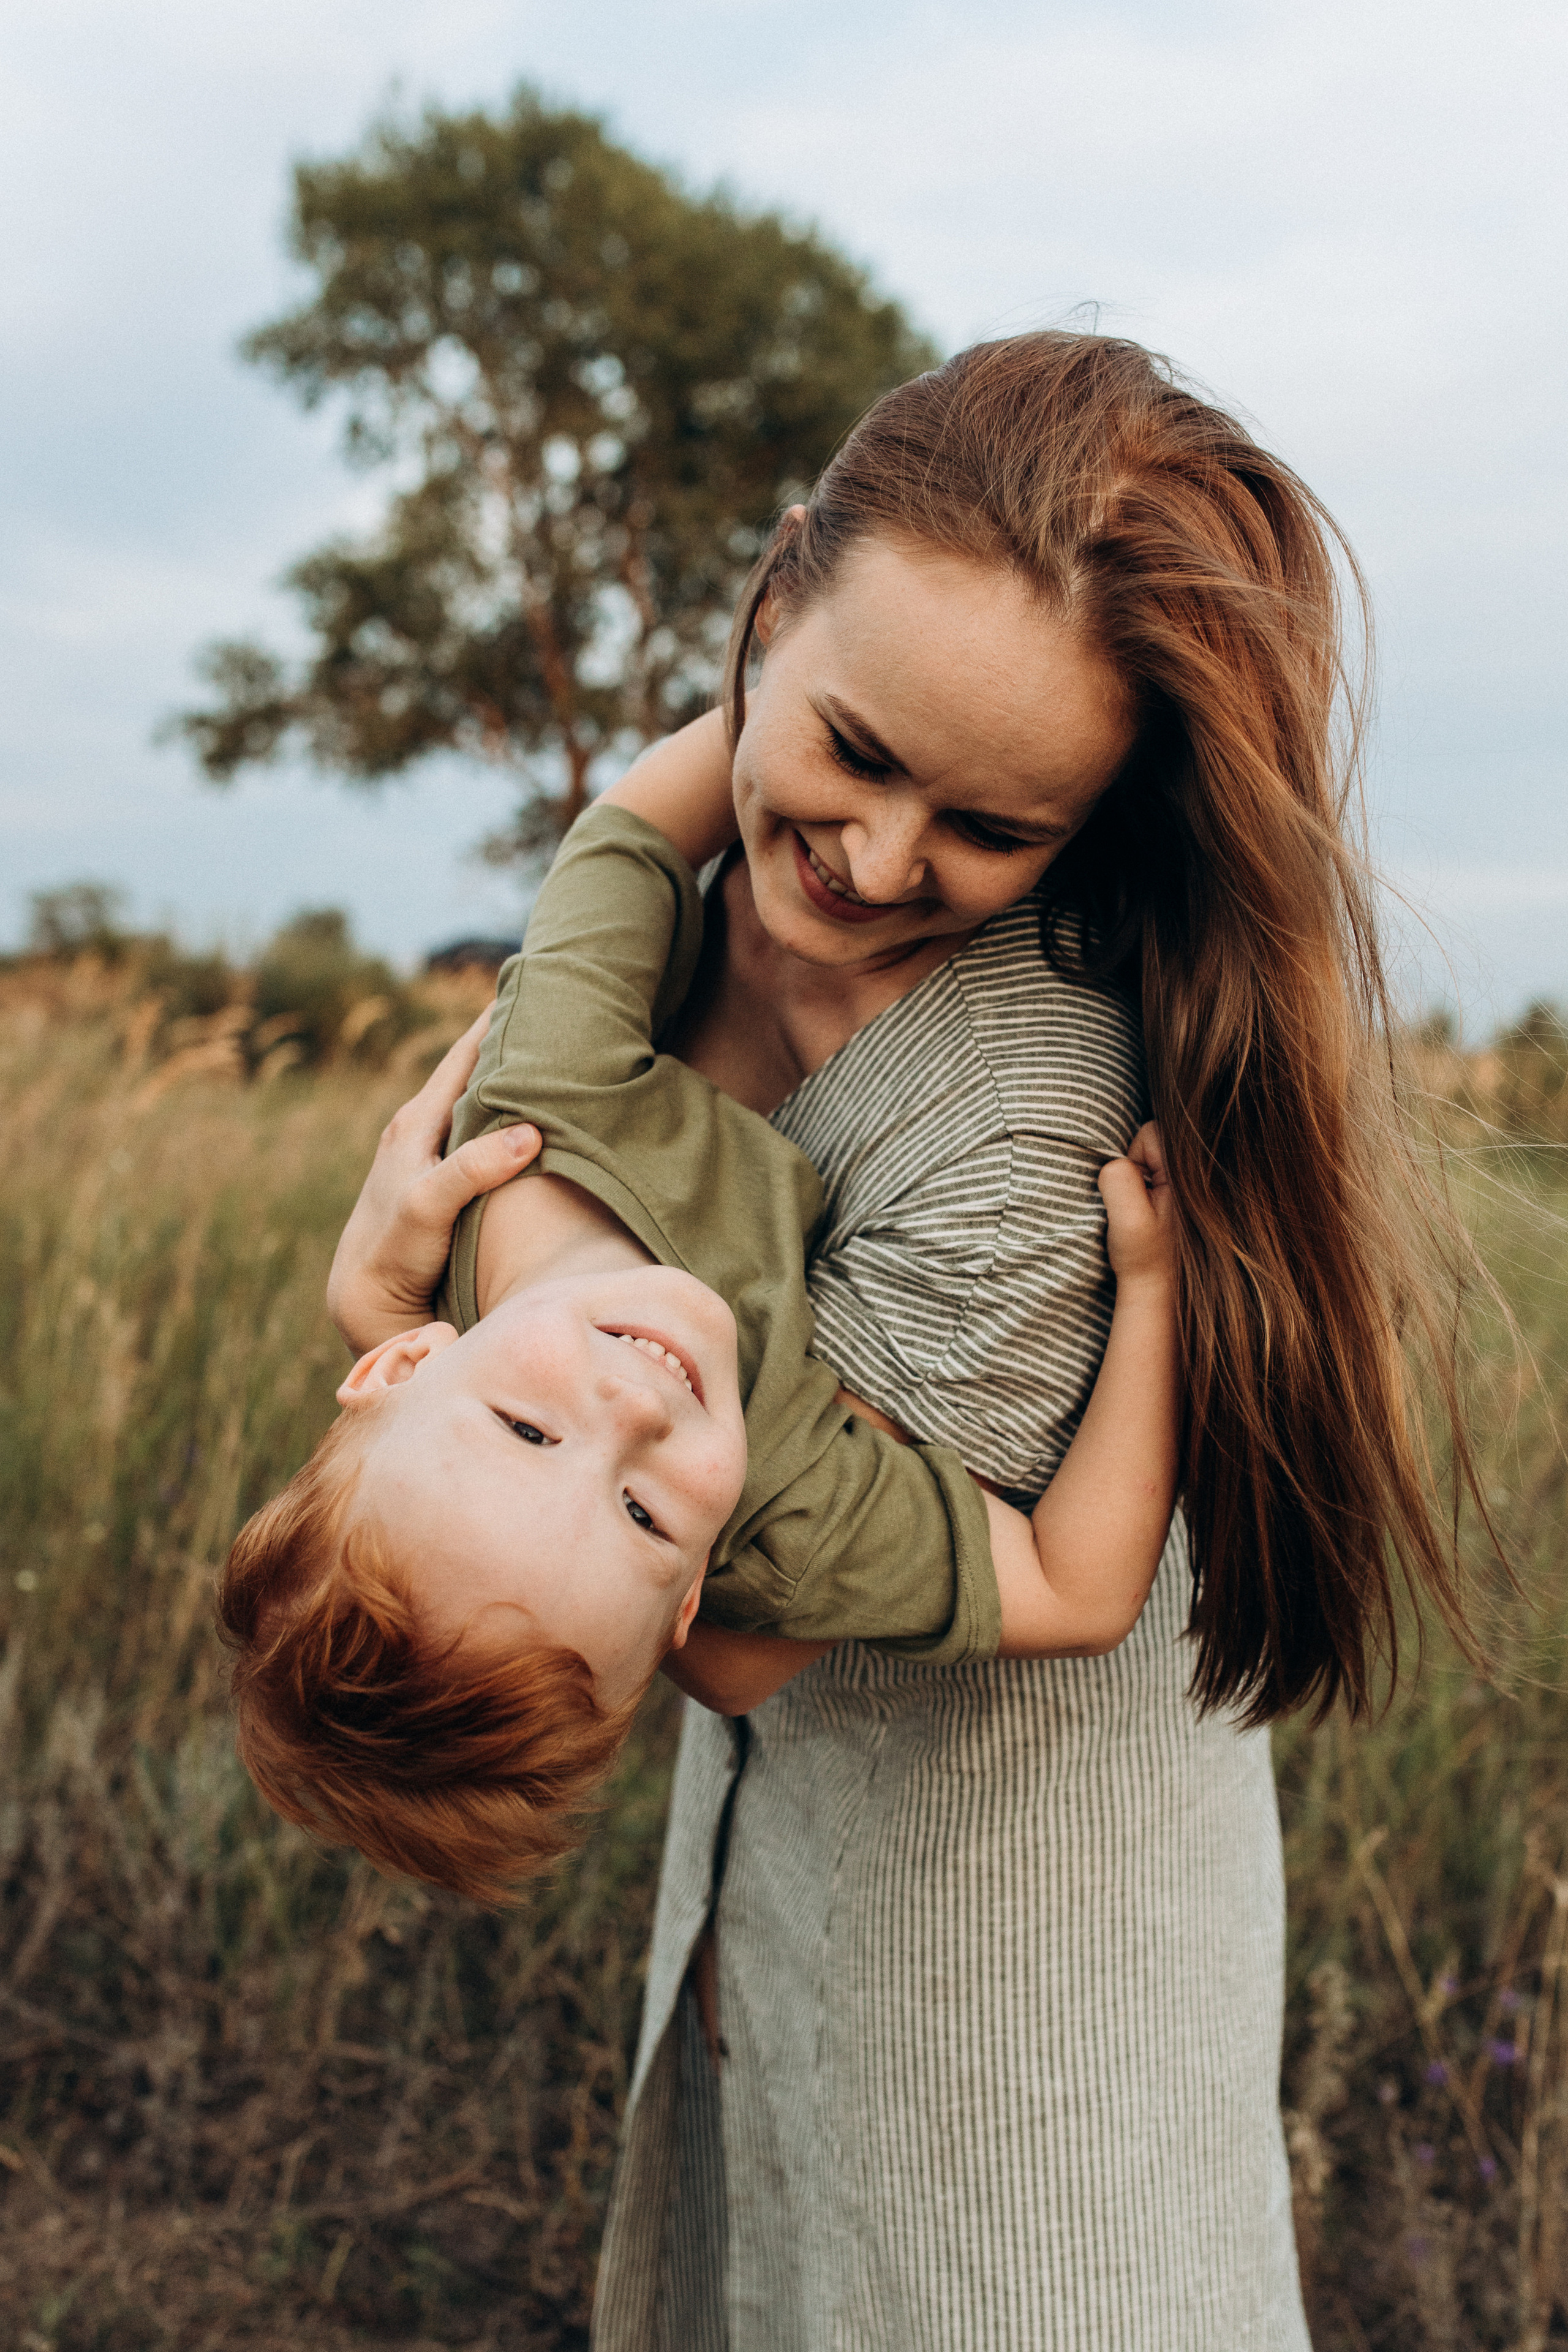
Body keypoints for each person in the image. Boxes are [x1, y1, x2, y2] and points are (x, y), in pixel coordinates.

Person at [327, 333, 1487, 2348]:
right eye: (854, 750)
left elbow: (735, 1617)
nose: (873, 863)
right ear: (771, 613)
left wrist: (403, 1301)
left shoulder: (1023, 1114)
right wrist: (454, 1319)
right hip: (791, 1888)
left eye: (991, 826)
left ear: (1092, 828)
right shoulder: (690, 901)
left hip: (1006, 1986)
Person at [220, 797, 1177, 1899]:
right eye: (643, 1515)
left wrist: (806, 734)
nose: (632, 1413)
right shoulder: (779, 1517)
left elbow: (631, 829)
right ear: (691, 1607)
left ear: (401, 1365)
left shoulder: (537, 1102)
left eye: (526, 1430)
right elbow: (1078, 1590)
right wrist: (1154, 1288)